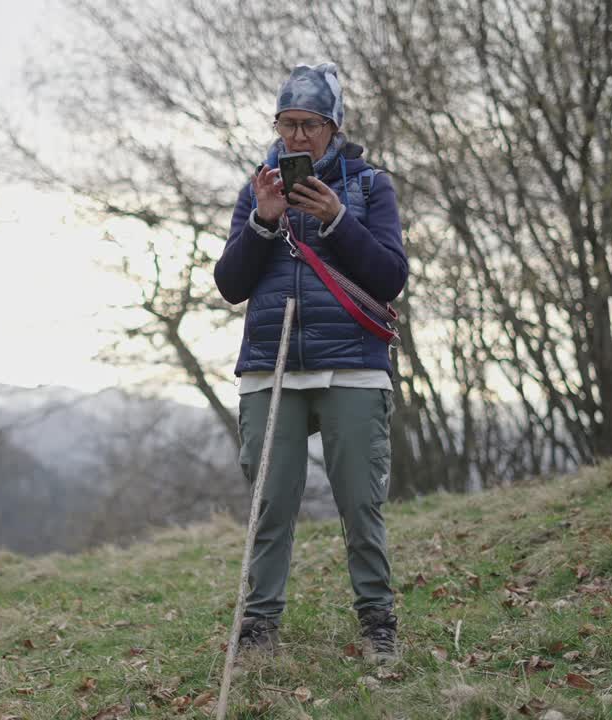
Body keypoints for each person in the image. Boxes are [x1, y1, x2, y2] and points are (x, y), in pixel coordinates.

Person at [214, 63, 408, 663]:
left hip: (351, 364)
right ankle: (258, 627)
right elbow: (230, 283)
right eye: (287, 123)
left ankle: (378, 622)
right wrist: (263, 221)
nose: (296, 137)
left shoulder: (371, 186)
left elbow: (390, 276)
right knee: (271, 503)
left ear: (335, 126)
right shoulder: (258, 188)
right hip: (270, 368)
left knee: (359, 501)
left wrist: (336, 220)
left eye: (310, 125)